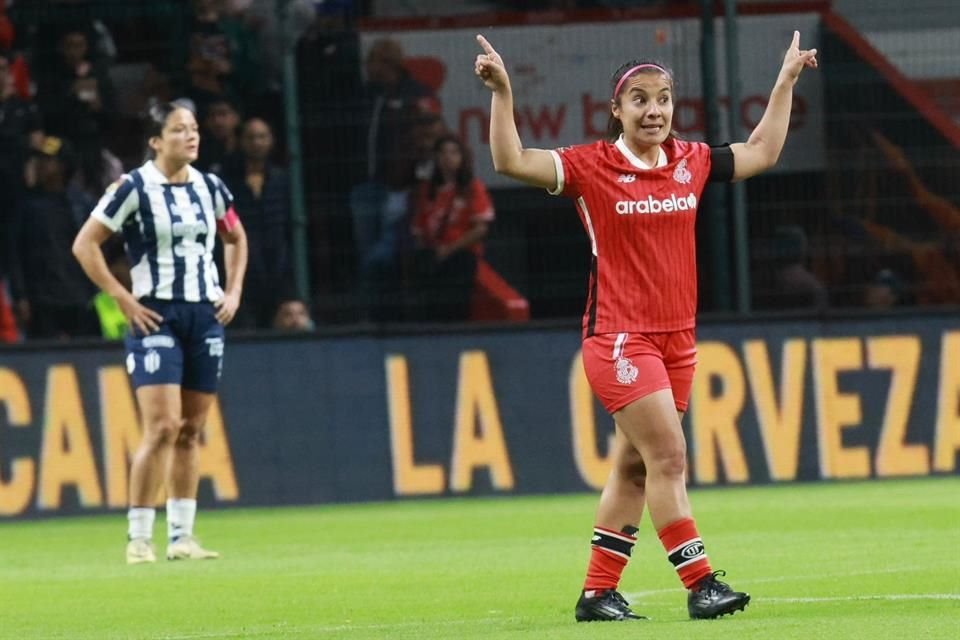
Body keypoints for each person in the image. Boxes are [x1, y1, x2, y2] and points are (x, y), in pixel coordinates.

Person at [474, 31, 817, 621]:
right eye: (639, 99)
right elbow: (511, 161)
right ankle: (701, 583)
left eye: (662, 98)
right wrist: (503, 93)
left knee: (635, 467)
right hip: (619, 338)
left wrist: (784, 82)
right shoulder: (591, 166)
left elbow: (760, 152)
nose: (654, 109)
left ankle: (597, 593)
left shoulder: (693, 161)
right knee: (669, 458)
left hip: (677, 338)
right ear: (616, 110)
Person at [72, 102, 248, 564]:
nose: (191, 137)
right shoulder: (132, 187)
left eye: (193, 129)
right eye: (178, 130)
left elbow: (236, 237)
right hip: (155, 315)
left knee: (192, 429)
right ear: (155, 141)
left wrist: (232, 293)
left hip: (204, 316)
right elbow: (85, 243)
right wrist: (121, 296)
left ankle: (182, 537)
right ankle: (138, 537)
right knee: (162, 425)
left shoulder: (210, 187)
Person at [9, 135, 99, 339]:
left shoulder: (81, 204)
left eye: (48, 160)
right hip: (42, 299)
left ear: (63, 166)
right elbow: (15, 254)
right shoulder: (26, 206)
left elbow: (100, 245)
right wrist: (20, 295)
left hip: (79, 296)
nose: (40, 165)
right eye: (39, 160)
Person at [407, 134, 494, 322]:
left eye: (454, 152)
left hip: (461, 256)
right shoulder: (426, 191)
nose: (448, 158)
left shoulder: (472, 187)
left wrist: (449, 249)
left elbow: (480, 229)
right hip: (432, 256)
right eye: (443, 153)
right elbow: (418, 231)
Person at [221, 117, 291, 328]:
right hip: (244, 266)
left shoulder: (282, 178)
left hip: (278, 262)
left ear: (271, 141)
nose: (257, 143)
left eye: (262, 137)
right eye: (251, 137)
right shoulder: (229, 180)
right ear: (241, 142)